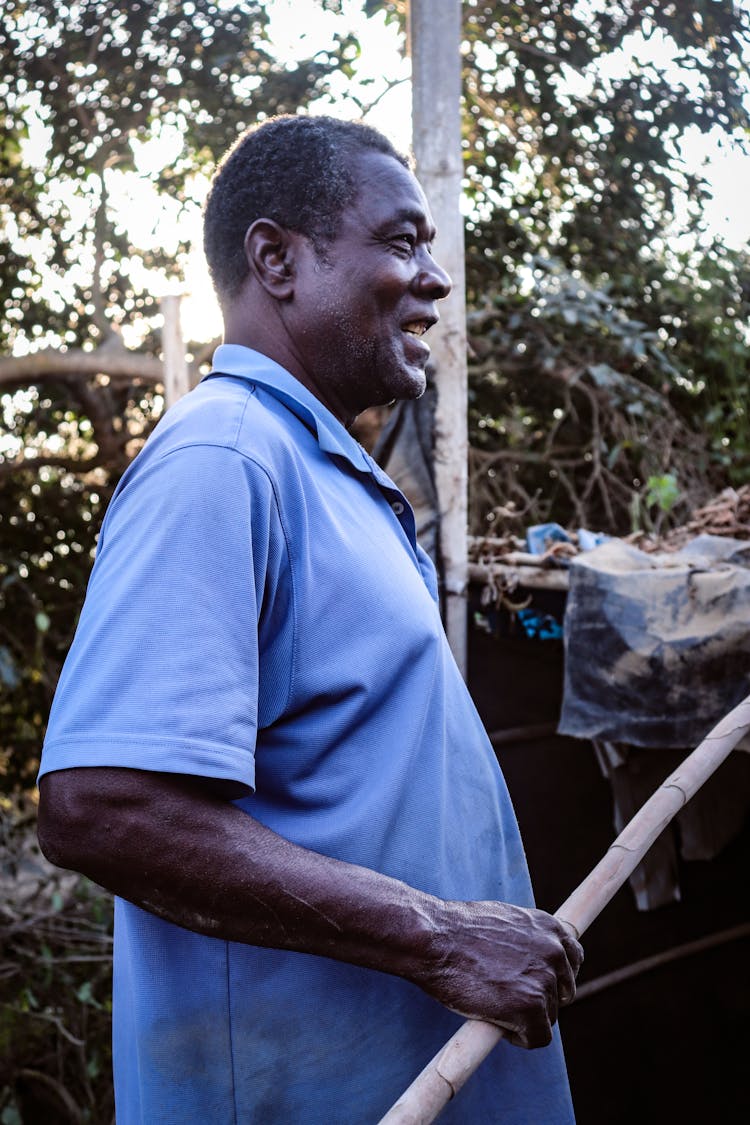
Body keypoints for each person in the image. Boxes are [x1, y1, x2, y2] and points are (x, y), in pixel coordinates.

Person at [37, 115, 582, 1124]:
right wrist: (442, 937)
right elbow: (102, 804)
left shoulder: (325, 472)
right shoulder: (225, 462)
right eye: (402, 240)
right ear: (278, 259)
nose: (435, 278)